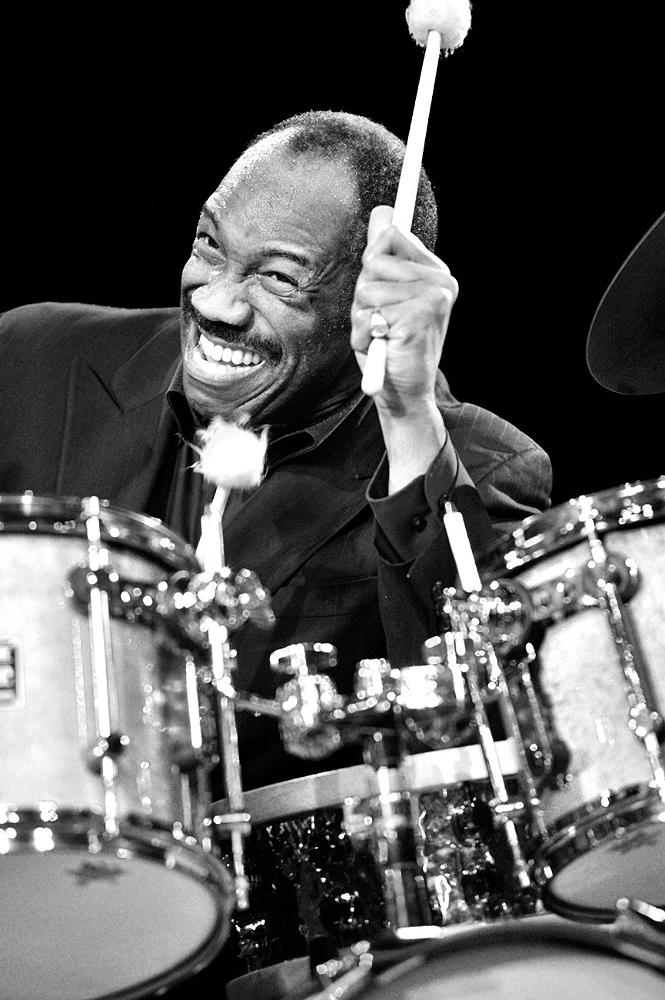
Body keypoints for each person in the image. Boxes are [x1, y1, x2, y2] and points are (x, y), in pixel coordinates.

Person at [0, 110, 552, 997]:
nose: (217, 301)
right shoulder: (34, 363)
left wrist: (407, 416)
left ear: (366, 303)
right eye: (209, 247)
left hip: (251, 965)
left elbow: (487, 736)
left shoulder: (474, 468)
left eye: (278, 280)